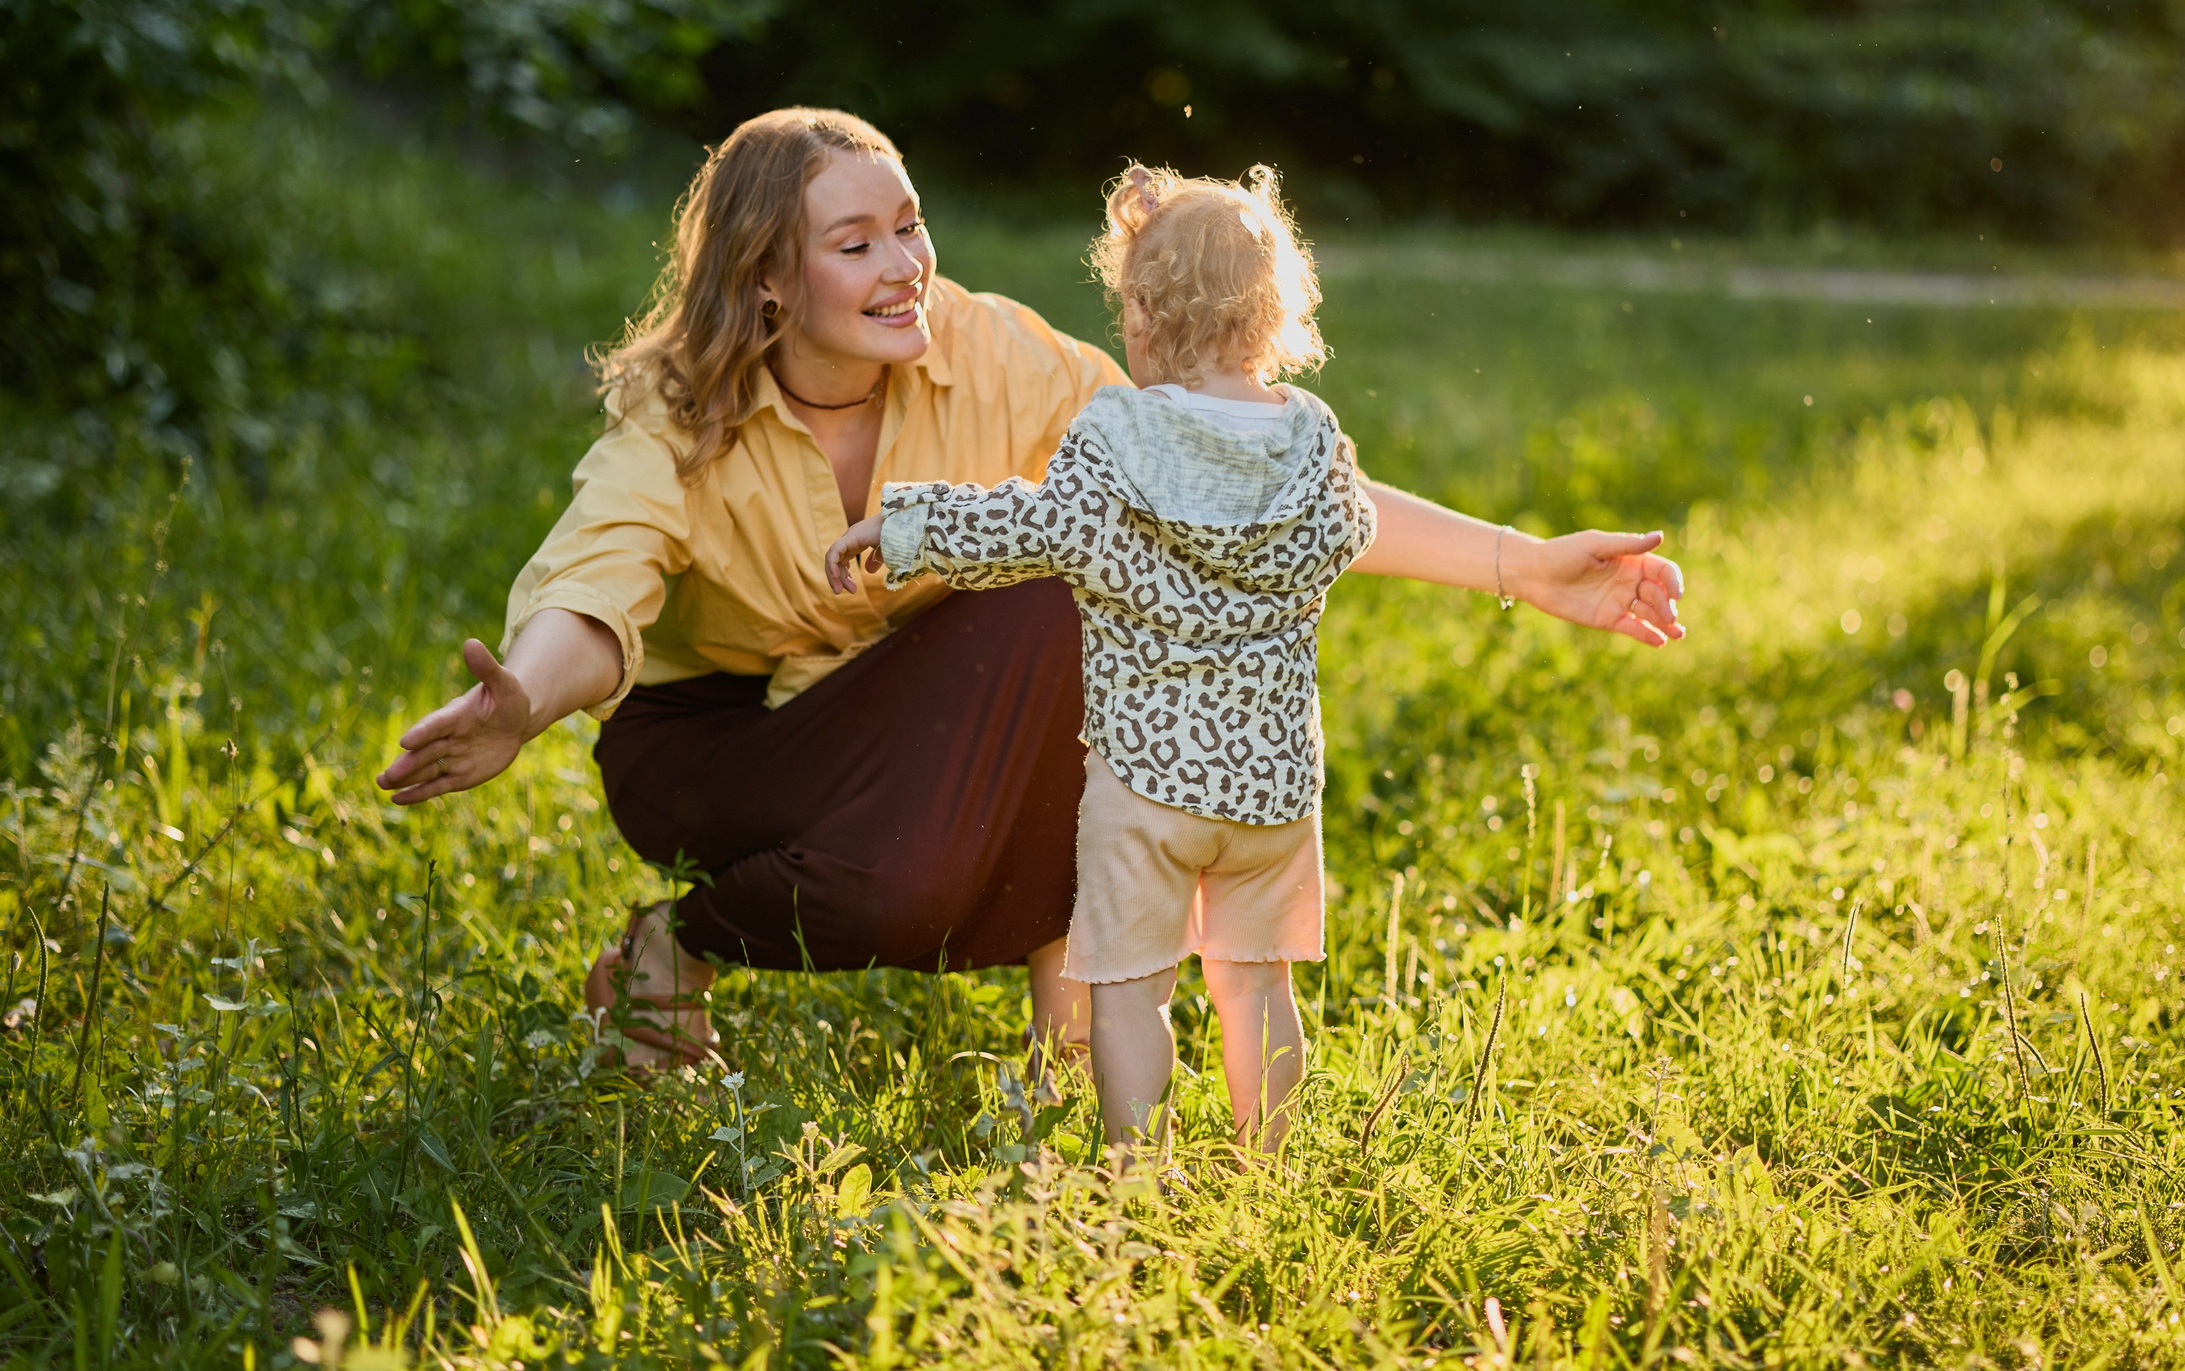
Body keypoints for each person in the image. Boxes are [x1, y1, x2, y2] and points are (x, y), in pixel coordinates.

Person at [372, 107, 1685, 1073]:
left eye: (909, 226)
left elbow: (1219, 480)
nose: (905, 267)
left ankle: (1071, 999)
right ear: (771, 278)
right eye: (856, 244)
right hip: (715, 746)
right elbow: (597, 586)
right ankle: (681, 942)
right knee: (915, 857)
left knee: (1075, 586)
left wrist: (1526, 563)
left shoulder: (990, 348)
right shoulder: (681, 413)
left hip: (915, 728)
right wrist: (525, 699)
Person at [829, 161, 1361, 1152]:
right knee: (1256, 980)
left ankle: (1137, 1170)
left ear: (1147, 318)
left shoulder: (1115, 432)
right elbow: (1349, 530)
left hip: (1148, 783)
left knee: (1126, 987)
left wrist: (903, 529)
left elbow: (1032, 527)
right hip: (1274, 783)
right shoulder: (1312, 438)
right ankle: (1275, 1166)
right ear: (1275, 317)